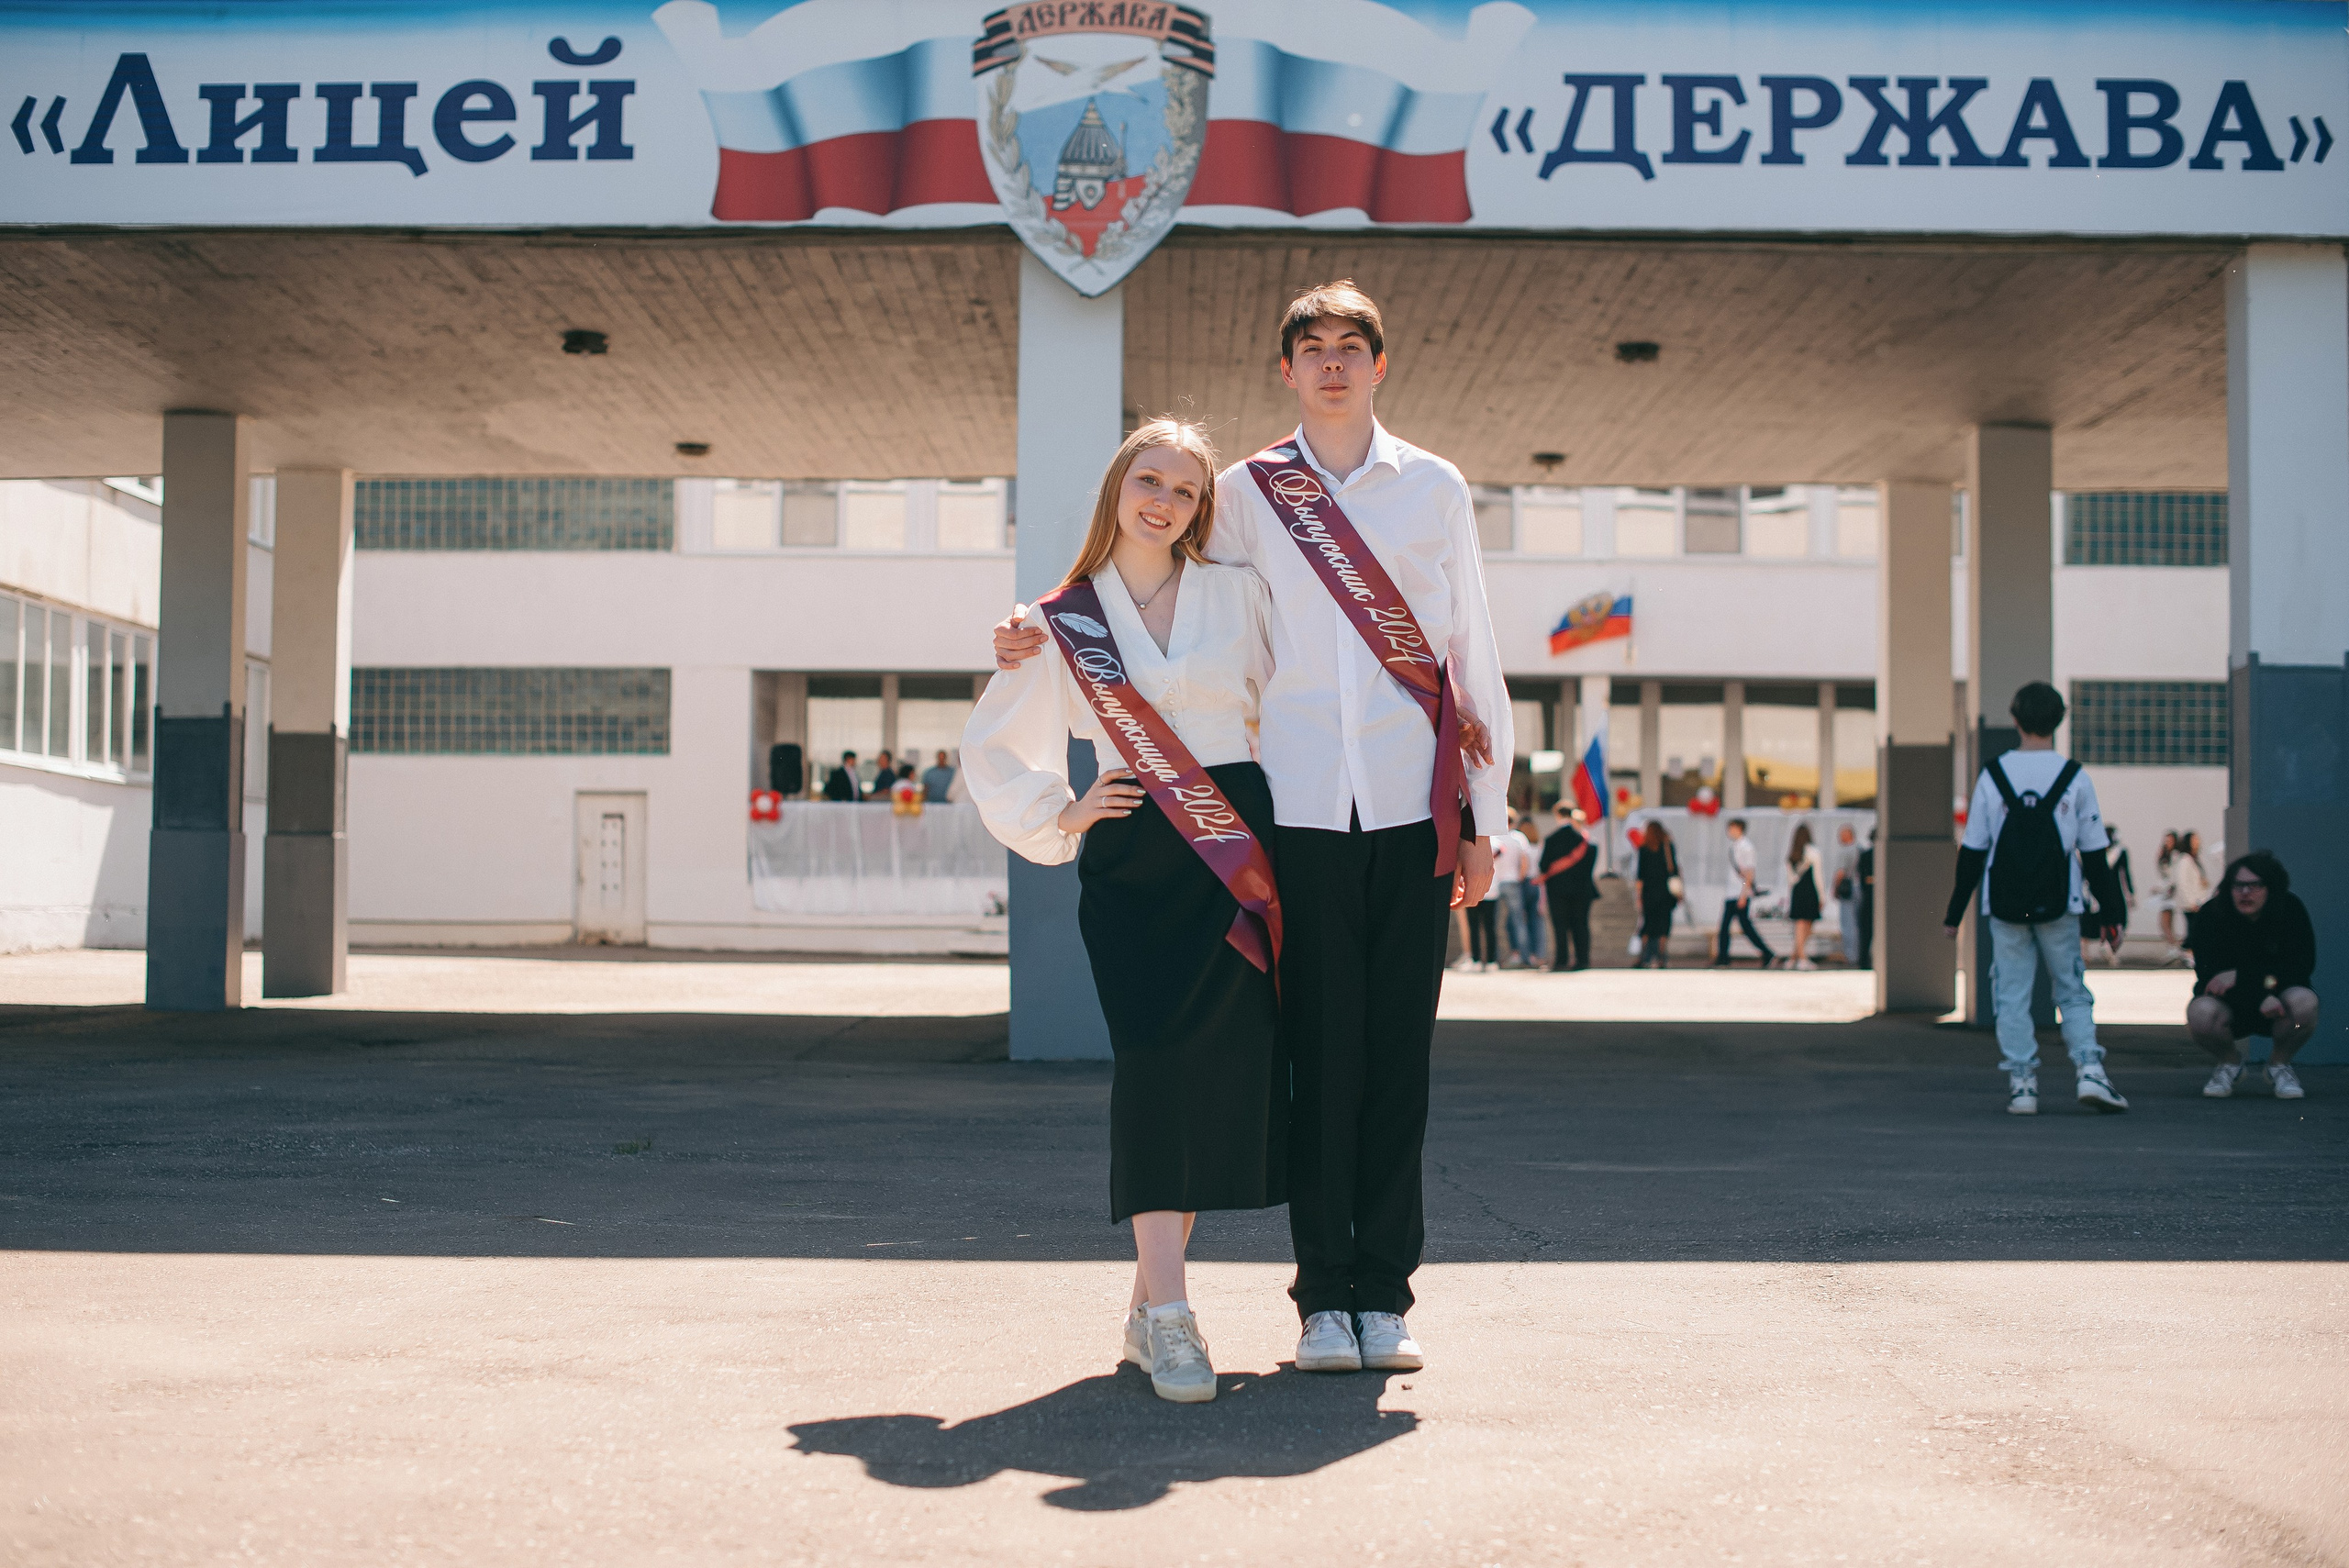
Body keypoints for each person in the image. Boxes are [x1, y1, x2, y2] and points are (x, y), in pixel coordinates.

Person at [994, 281, 1510, 1377]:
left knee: (1397, 1061)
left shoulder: (1434, 489)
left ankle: (1388, 1296)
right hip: (1295, 809)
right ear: (1286, 369)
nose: (1332, 363)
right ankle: (1325, 1300)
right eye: (1311, 348)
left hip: (1413, 806)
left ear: (1381, 362)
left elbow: (1471, 650)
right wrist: (1033, 627)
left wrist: (1484, 819)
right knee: (1317, 1057)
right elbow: (1154, 590)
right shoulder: (1242, 493)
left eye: (1351, 346)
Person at [961, 417, 1285, 1405]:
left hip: (1238, 850)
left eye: (1185, 490)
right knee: (1153, 1068)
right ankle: (1176, 1316)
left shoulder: (1242, 594)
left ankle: (1152, 1310)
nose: (1163, 500)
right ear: (1116, 488)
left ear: (1202, 509)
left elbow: (1301, 708)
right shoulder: (1057, 620)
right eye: (1149, 480)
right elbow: (993, 744)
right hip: (1138, 852)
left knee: (1217, 1075)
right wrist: (1062, 814)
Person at [1943, 681, 2131, 1116]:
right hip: (2059, 902)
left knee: (2011, 993)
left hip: (2005, 904)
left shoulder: (1993, 775)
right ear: (2059, 721)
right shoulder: (2074, 776)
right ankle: (2089, 1072)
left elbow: (1972, 851)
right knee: (2071, 988)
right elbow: (2095, 854)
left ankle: (2023, 1084)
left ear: (2014, 719)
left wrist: (1954, 914)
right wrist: (2112, 913)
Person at [2188, 851, 2319, 1100]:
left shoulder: (2290, 910)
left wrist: (2241, 978)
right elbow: (2208, 977)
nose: (2245, 892)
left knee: (2305, 1002)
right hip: (2232, 1005)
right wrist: (2259, 992)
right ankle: (2230, 1064)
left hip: (2278, 1003)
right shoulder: (2211, 915)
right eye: (2238, 885)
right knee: (2200, 1012)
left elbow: (2301, 967)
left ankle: (2279, 1066)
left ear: (2271, 888)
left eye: (2254, 885)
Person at [1712, 818, 1777, 968]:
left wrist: (1743, 893)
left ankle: (1725, 957)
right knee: (1735, 926)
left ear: (1738, 828)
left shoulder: (1746, 847)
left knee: (1737, 926)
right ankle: (1725, 956)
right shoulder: (1735, 846)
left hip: (1739, 893)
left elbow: (1748, 874)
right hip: (1734, 892)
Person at [1539, 804, 1597, 971]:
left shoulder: (1551, 839)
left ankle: (1561, 961)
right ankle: (1582, 960)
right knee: (1581, 925)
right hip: (1582, 890)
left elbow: (1543, 866)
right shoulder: (1587, 842)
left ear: (1557, 815)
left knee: (1560, 926)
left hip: (1557, 889)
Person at [1490, 811, 1542, 968]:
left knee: (1494, 922)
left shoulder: (1495, 837)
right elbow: (1524, 861)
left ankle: (1497, 957)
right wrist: (1520, 877)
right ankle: (1524, 955)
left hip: (1496, 883)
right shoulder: (1518, 838)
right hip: (1513, 882)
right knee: (1518, 920)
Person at [2078, 827, 2134, 967]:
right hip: (2096, 892)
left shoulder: (2118, 852)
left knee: (2114, 920)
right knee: (2089, 922)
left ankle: (2106, 948)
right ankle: (2086, 952)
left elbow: (2124, 874)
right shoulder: (2092, 852)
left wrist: (2130, 893)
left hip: (2104, 891)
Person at [1633, 818, 1681, 968]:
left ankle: (1644, 956)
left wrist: (1639, 895)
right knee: (1663, 924)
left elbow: (1640, 875)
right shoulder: (1667, 847)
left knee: (1648, 924)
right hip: (1665, 892)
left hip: (1649, 892)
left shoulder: (1643, 849)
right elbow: (1674, 869)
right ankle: (1661, 957)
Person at [1785, 821, 1824, 970]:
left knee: (1799, 924)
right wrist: (1822, 896)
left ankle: (1794, 957)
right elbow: (1818, 876)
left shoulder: (1792, 854)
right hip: (1810, 890)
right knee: (1807, 924)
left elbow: (1791, 880)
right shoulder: (1814, 852)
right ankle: (1802, 957)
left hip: (1797, 891)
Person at [2170, 830, 2211, 962]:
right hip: (2192, 903)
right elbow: (2182, 882)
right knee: (2194, 930)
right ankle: (2187, 952)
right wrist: (2190, 901)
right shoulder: (2184, 859)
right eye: (2194, 840)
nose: (2197, 843)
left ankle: (2188, 952)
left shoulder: (2194, 859)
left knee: (2195, 929)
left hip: (2198, 900)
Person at [1832, 823, 1863, 967]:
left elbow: (1840, 873)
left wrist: (1835, 888)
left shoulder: (1845, 851)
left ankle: (1850, 955)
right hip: (1859, 888)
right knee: (1858, 923)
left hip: (1848, 887)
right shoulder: (1860, 849)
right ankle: (1859, 953)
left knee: (1848, 922)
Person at [2151, 829, 2180, 950]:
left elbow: (2173, 876)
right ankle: (2172, 946)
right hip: (2165, 891)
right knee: (2166, 923)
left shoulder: (2175, 855)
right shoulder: (2164, 855)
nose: (2168, 843)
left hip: (2170, 893)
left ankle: (2173, 947)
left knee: (2165, 922)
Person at [1855, 830, 1876, 969]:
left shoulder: (1866, 855)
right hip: (1870, 897)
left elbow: (1864, 880)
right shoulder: (1867, 856)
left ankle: (1864, 960)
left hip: (1868, 897)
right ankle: (1864, 960)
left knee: (1866, 931)